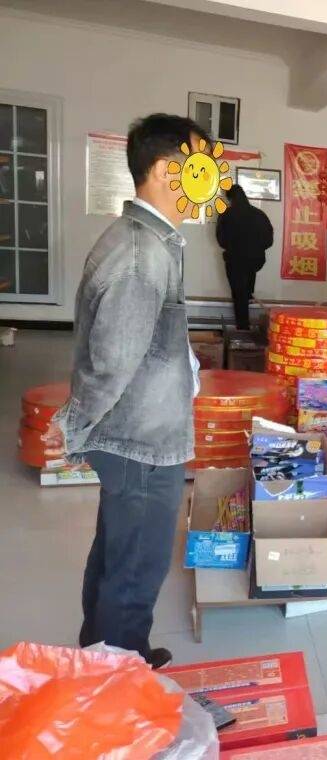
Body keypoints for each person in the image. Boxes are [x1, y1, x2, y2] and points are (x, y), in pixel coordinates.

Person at [45, 114, 209, 669]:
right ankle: (115, 679)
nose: (209, 181)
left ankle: (107, 658)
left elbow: (149, 338)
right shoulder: (143, 255)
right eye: (201, 167)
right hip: (141, 440)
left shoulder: (151, 241)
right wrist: (71, 425)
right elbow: (112, 361)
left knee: (118, 554)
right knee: (135, 566)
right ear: (165, 171)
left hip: (143, 429)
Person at [216, 184, 273, 330]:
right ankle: (249, 295)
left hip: (235, 260)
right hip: (255, 260)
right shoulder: (259, 214)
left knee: (238, 293)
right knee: (246, 286)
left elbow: (221, 240)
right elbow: (269, 240)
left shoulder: (226, 215)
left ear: (230, 198)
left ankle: (243, 328)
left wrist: (234, 246)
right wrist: (256, 249)